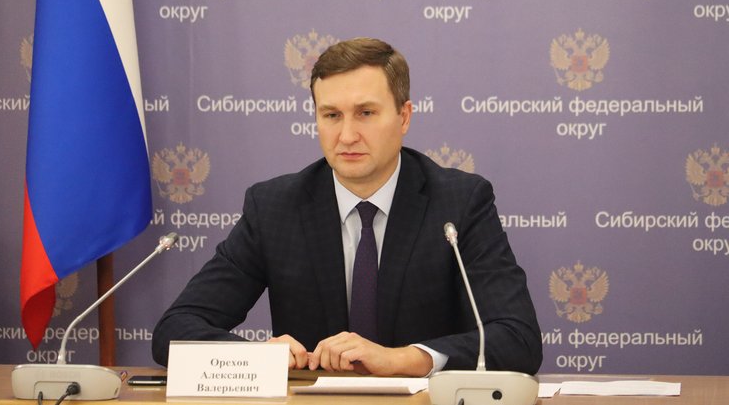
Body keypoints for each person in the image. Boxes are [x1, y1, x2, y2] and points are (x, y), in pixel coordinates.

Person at [152, 37, 542, 376]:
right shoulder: (275, 207)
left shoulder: (459, 202)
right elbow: (175, 330)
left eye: (366, 113)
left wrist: (402, 359)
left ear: (404, 117)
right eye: (332, 115)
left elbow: (518, 339)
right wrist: (257, 358)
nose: (347, 135)